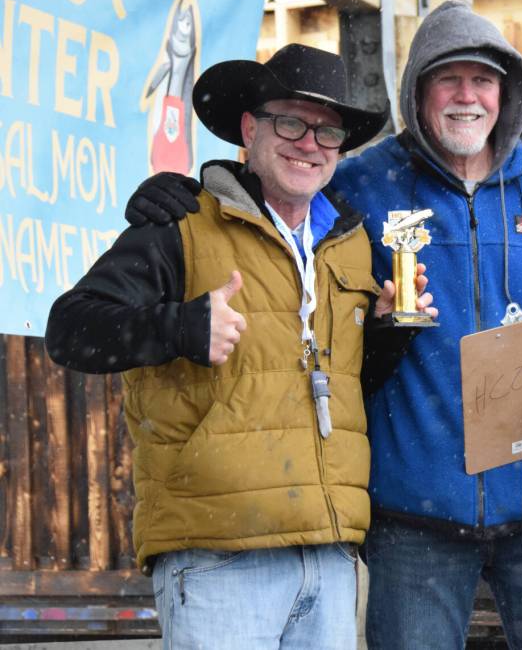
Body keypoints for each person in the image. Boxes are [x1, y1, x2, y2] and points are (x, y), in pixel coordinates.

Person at [123, 1, 522, 649]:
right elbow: (270, 205)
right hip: (413, 513)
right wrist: (187, 196)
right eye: (449, 78)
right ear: (417, 90)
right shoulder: (361, 182)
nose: (467, 96)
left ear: (508, 93)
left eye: (484, 80)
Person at [46, 44, 435, 650]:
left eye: (327, 131)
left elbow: (334, 385)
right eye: (290, 122)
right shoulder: (179, 225)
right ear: (250, 129)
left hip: (328, 557)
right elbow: (69, 330)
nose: (309, 142)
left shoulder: (350, 242)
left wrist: (384, 332)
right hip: (219, 555)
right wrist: (180, 328)